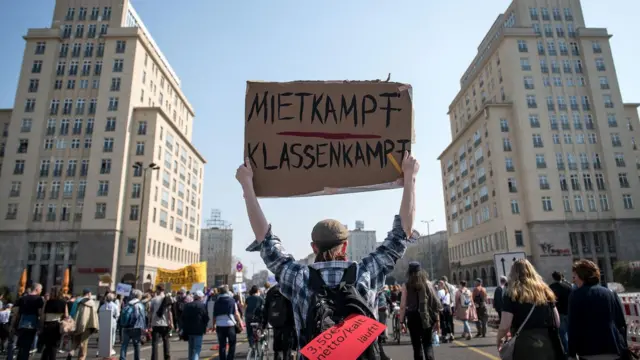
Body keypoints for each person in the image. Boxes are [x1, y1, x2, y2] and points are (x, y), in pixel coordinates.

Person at [239, 151, 419, 360]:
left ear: (314, 247)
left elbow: (265, 240)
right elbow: (402, 233)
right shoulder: (365, 273)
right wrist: (410, 177)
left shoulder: (299, 277)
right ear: (345, 247)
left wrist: (247, 185)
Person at [496, 259, 564, 360]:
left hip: (524, 343)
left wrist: (499, 338)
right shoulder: (545, 290)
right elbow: (557, 322)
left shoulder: (512, 293)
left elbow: (505, 325)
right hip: (548, 342)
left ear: (513, 273)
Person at [568, 260, 629, 360]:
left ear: (581, 276)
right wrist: (623, 346)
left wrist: (572, 353)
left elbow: (573, 326)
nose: (573, 280)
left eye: (574, 277)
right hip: (613, 348)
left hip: (588, 350)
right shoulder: (610, 293)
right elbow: (621, 323)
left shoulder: (575, 295)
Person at [399, 262, 442, 360]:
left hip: (412, 317)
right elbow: (435, 303)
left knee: (416, 346)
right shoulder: (428, 283)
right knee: (428, 344)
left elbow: (402, 305)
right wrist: (437, 320)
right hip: (426, 316)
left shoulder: (406, 285)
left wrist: (401, 321)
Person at [262, 283, 295, 360]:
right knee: (287, 346)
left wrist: (264, 324)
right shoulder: (289, 289)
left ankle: (277, 356)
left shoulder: (271, 291)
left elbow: (266, 308)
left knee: (277, 343)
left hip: (275, 321)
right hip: (288, 322)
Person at [212, 285, 243, 360]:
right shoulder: (232, 300)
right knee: (232, 344)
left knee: (222, 345)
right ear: (227, 291)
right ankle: (230, 358)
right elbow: (236, 313)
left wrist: (214, 325)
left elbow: (214, 315)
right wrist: (241, 323)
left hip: (219, 325)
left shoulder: (217, 302)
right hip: (230, 325)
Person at [14, 283, 44, 360]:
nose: (41, 291)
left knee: (21, 346)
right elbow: (40, 312)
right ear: (37, 289)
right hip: (32, 323)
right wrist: (40, 324)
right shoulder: (39, 299)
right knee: (27, 346)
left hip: (22, 322)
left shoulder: (22, 298)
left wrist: (14, 324)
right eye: (41, 289)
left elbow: (16, 312)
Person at [69, 288, 99, 360]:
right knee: (84, 344)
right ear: (89, 293)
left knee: (76, 340)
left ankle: (71, 353)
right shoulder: (92, 303)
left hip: (78, 324)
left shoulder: (78, 301)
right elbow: (94, 315)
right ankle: (81, 358)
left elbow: (73, 313)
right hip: (87, 325)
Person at [40, 287, 68, 360]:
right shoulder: (63, 302)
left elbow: (42, 315)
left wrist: (41, 325)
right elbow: (66, 316)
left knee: (47, 345)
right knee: (54, 346)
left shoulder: (47, 302)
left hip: (47, 325)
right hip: (57, 325)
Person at [549, 271, 572, 356]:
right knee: (570, 332)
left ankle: (567, 350)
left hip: (559, 313)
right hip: (569, 312)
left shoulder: (551, 288)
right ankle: (572, 349)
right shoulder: (568, 287)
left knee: (562, 333)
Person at [119, 290, 147, 360]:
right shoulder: (140, 305)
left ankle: (122, 358)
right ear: (139, 296)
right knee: (137, 345)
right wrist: (144, 328)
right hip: (136, 327)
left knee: (124, 344)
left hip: (126, 327)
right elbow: (142, 317)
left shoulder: (127, 304)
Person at [181, 291, 209, 360]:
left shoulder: (187, 305)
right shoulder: (202, 305)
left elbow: (182, 318)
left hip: (188, 330)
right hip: (198, 330)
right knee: (197, 349)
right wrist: (205, 326)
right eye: (202, 297)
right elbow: (206, 318)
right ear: (200, 298)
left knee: (191, 348)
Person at [149, 285, 173, 360]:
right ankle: (167, 358)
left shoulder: (154, 299)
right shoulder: (168, 299)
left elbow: (150, 312)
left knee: (155, 343)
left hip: (155, 323)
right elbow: (169, 312)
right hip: (165, 323)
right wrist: (171, 322)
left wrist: (149, 323)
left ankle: (154, 358)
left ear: (158, 290)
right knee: (166, 342)